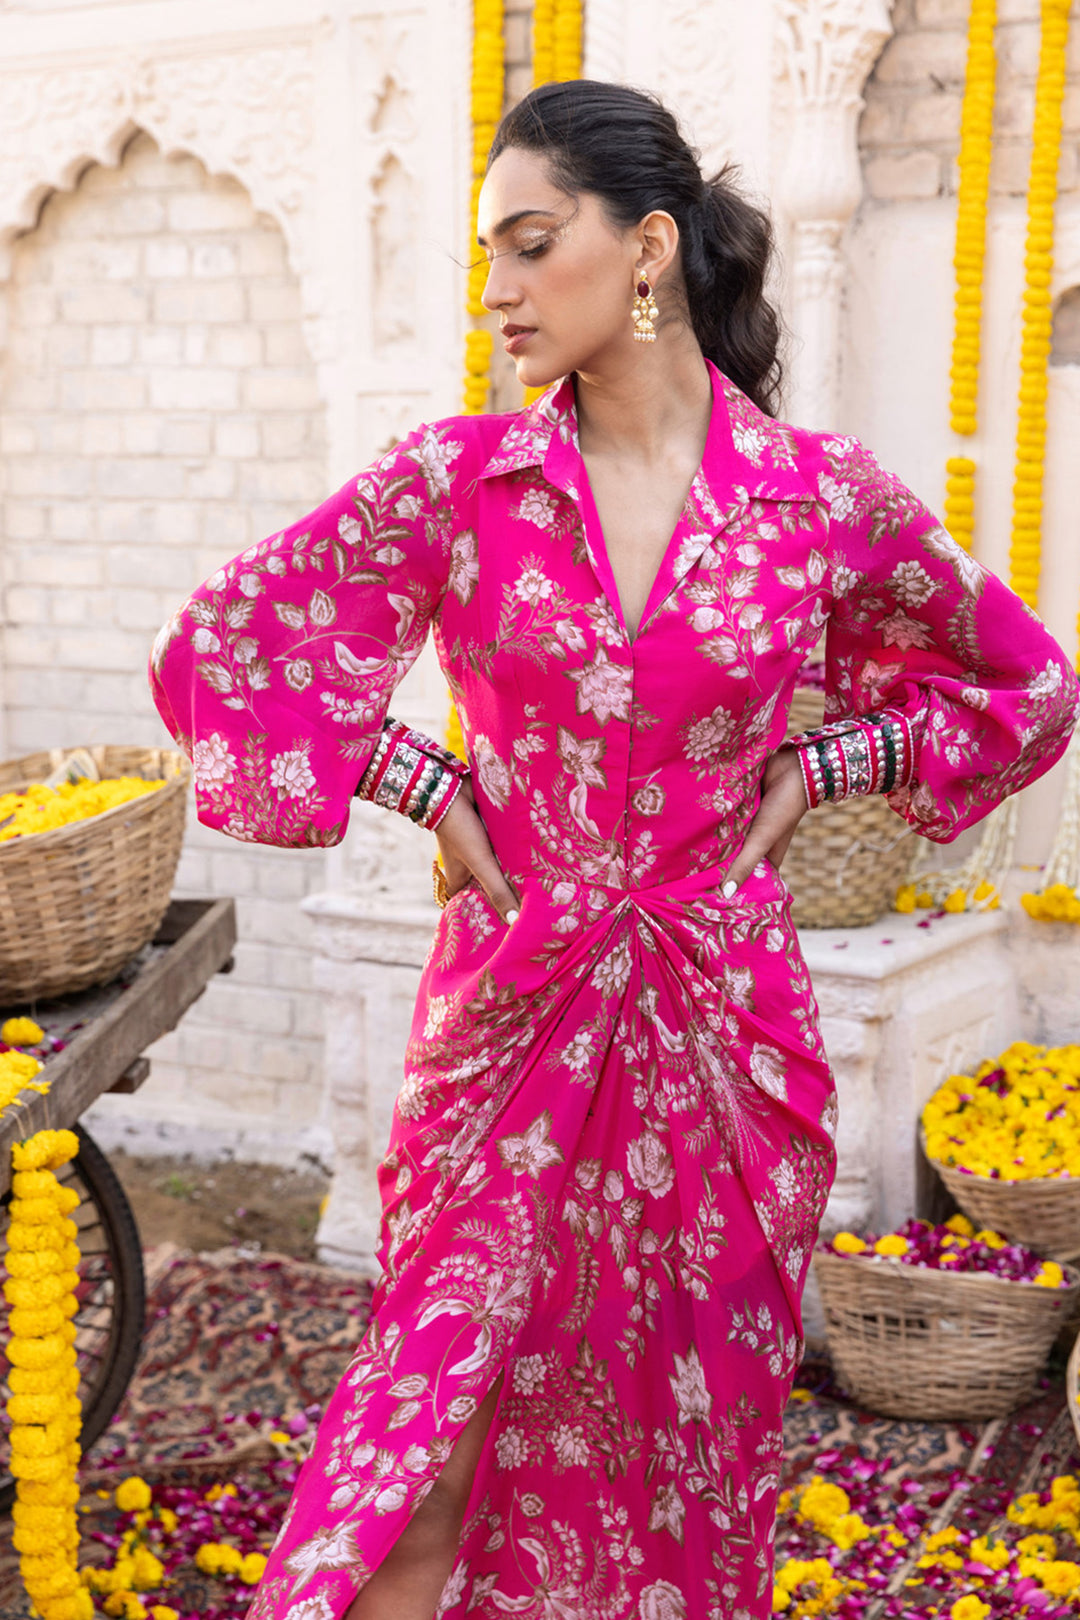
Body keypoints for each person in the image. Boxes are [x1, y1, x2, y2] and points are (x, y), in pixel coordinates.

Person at [149, 78, 1080, 1620]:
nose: (499, 288)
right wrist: (424, 780)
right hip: (509, 1030)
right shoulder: (459, 487)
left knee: (678, 1477)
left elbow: (1025, 685)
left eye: (531, 243)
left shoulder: (816, 505)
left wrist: (823, 765)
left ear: (646, 250)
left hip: (727, 1050)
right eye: (487, 252)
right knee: (423, 1461)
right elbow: (222, 653)